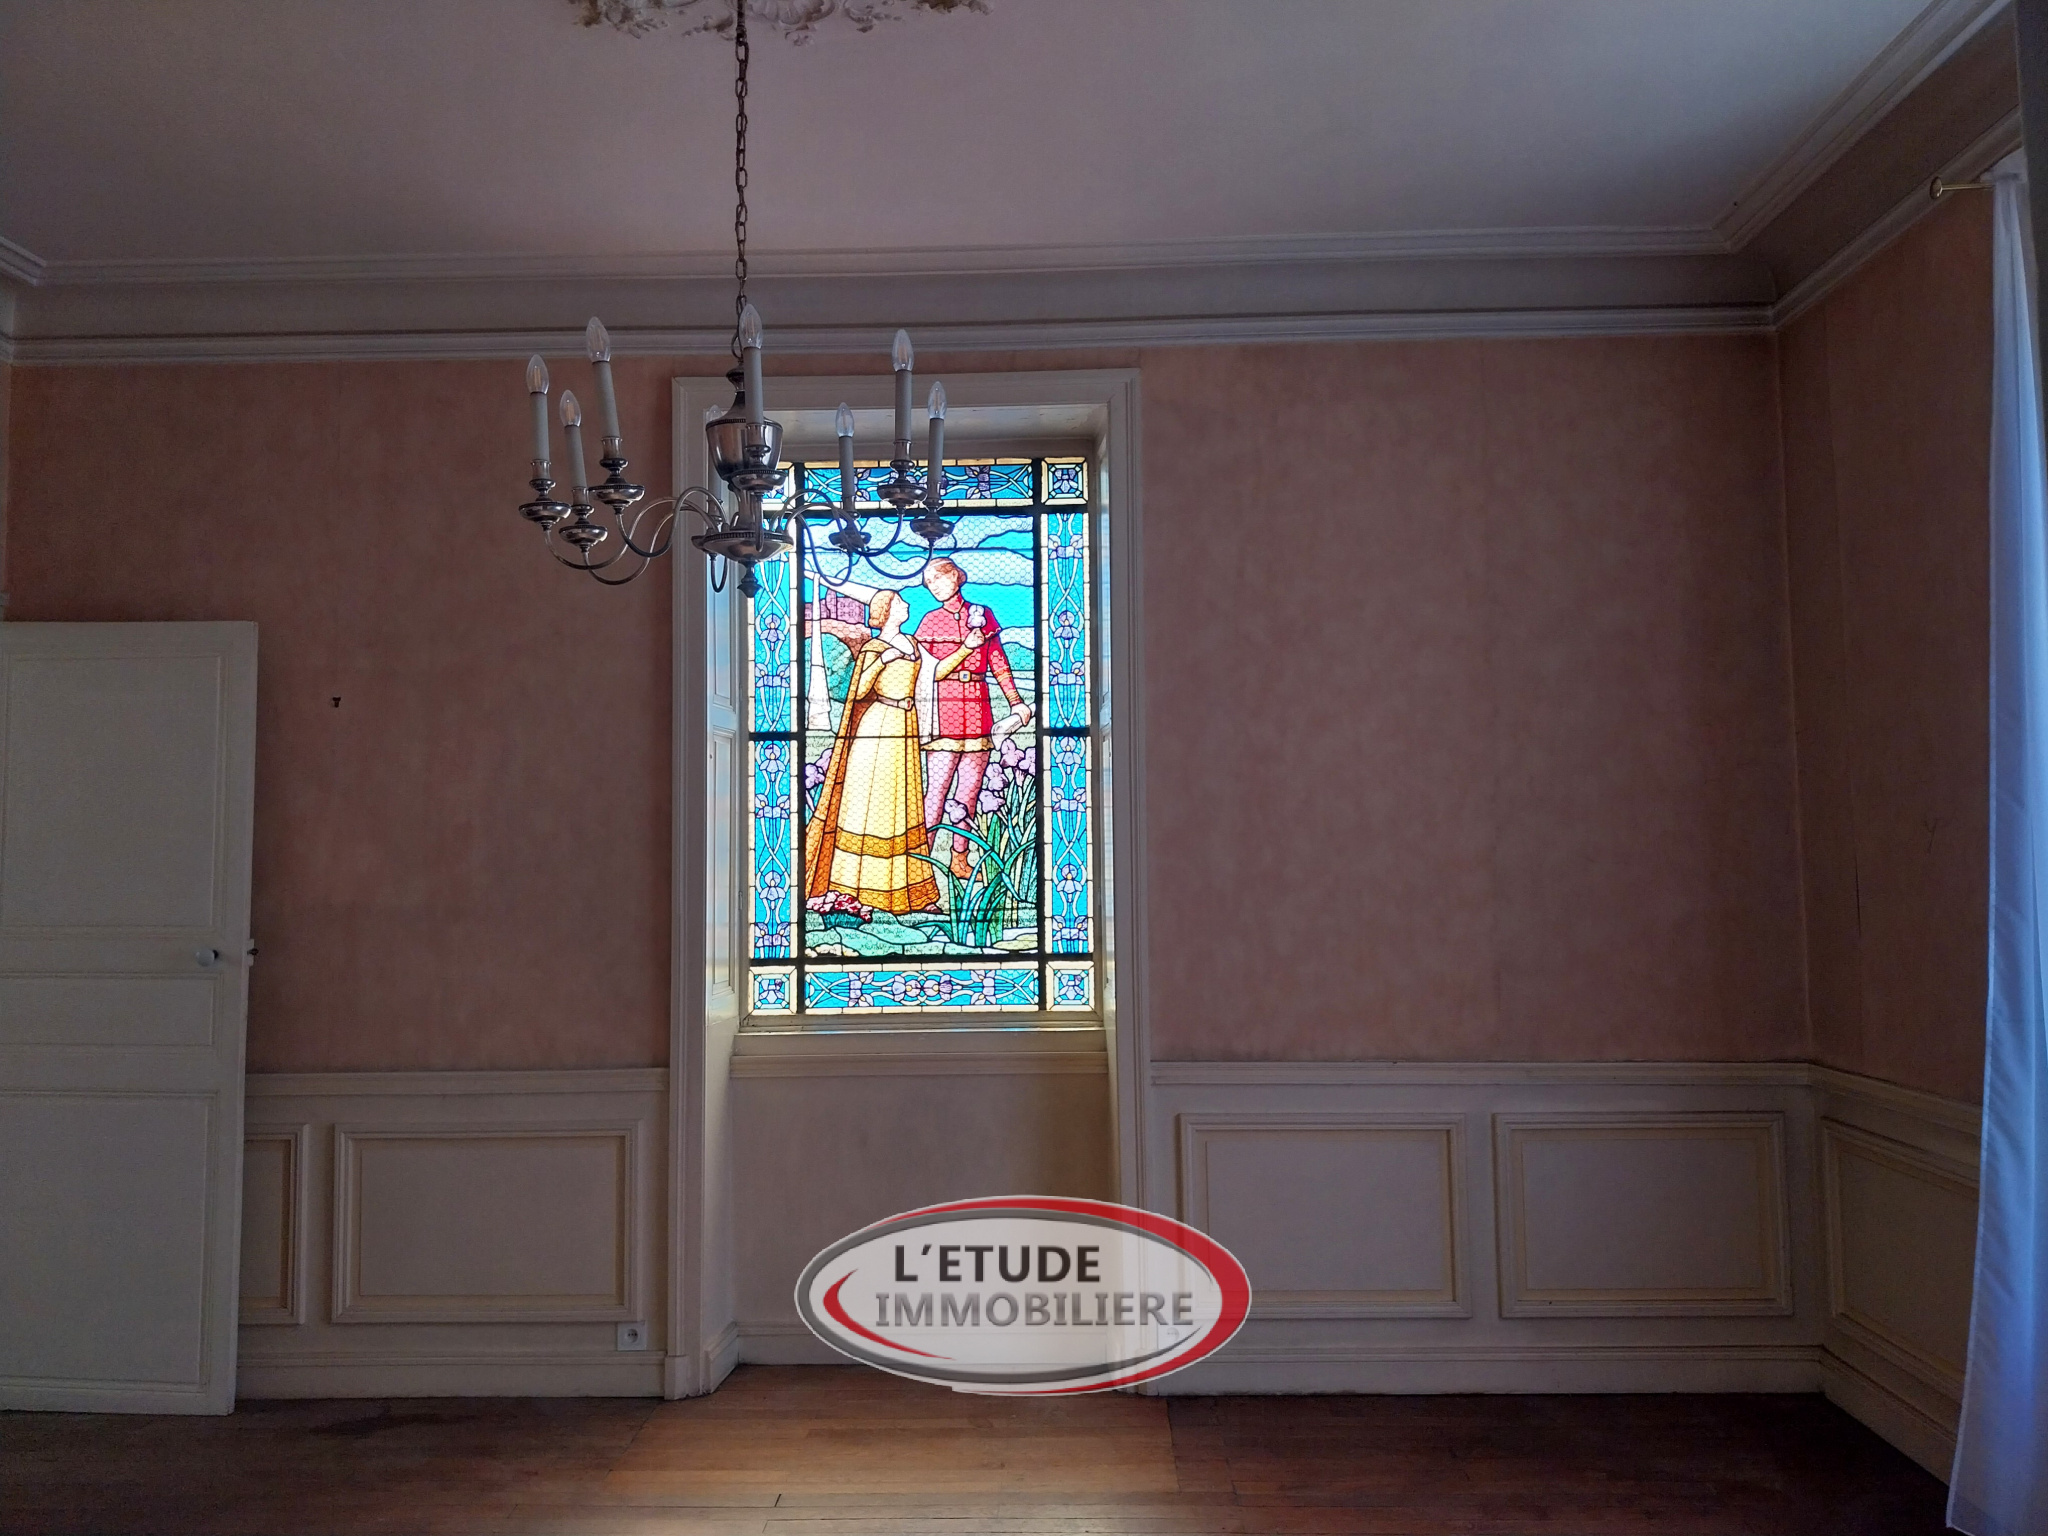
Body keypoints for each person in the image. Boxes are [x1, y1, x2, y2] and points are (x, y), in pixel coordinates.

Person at [803, 590, 944, 916]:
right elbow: (859, 690)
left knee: (904, 807)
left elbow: (935, 673)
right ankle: (853, 890)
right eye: (900, 602)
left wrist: (967, 649)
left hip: (905, 728)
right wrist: (883, 660)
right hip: (876, 729)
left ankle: (910, 894)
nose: (907, 605)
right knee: (870, 806)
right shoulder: (873, 649)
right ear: (887, 610)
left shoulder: (913, 645)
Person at [913, 558, 1031, 878]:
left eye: (939, 579)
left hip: (978, 708)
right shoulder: (930, 622)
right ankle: (921, 863)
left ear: (956, 577)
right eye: (929, 583)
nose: (934, 587)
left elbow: (998, 661)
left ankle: (959, 859)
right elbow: (927, 672)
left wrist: (1016, 702)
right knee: (936, 792)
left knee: (969, 791)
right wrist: (965, 648)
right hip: (944, 708)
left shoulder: (983, 615)